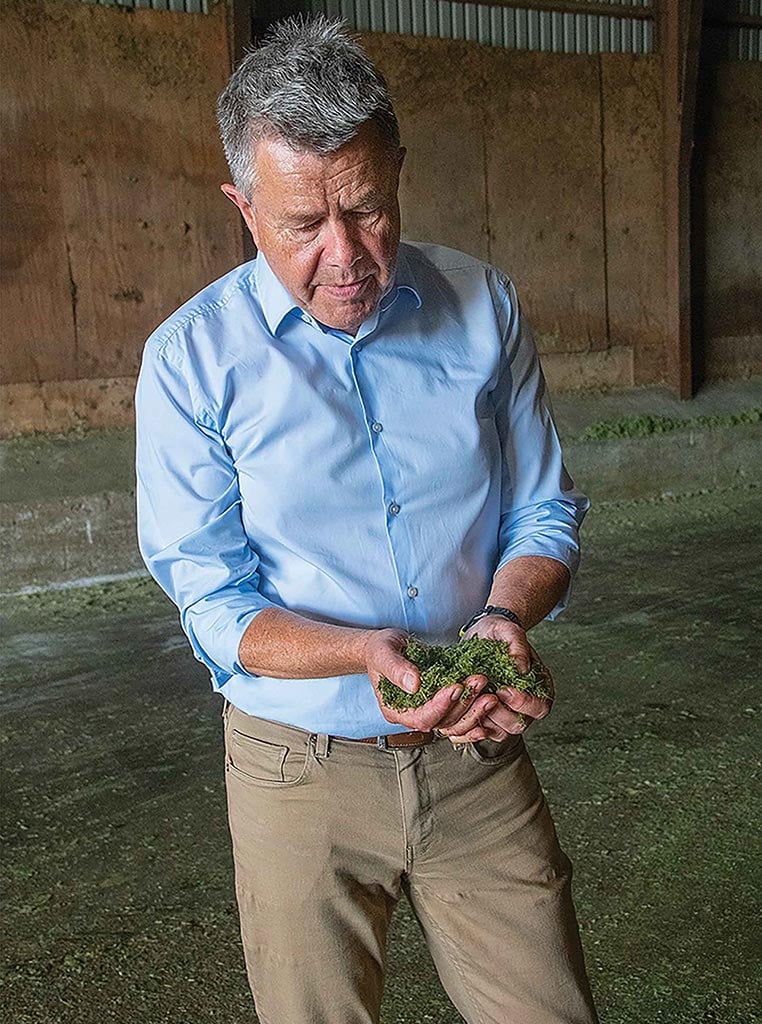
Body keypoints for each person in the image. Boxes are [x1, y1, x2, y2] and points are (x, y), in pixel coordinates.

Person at [135, 16, 598, 1024]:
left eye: (369, 208)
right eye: (305, 222)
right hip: (298, 772)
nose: (346, 254)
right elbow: (214, 601)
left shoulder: (484, 307)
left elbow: (542, 510)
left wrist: (505, 620)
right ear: (243, 206)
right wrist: (362, 652)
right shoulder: (190, 364)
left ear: (396, 170)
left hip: (476, 748)